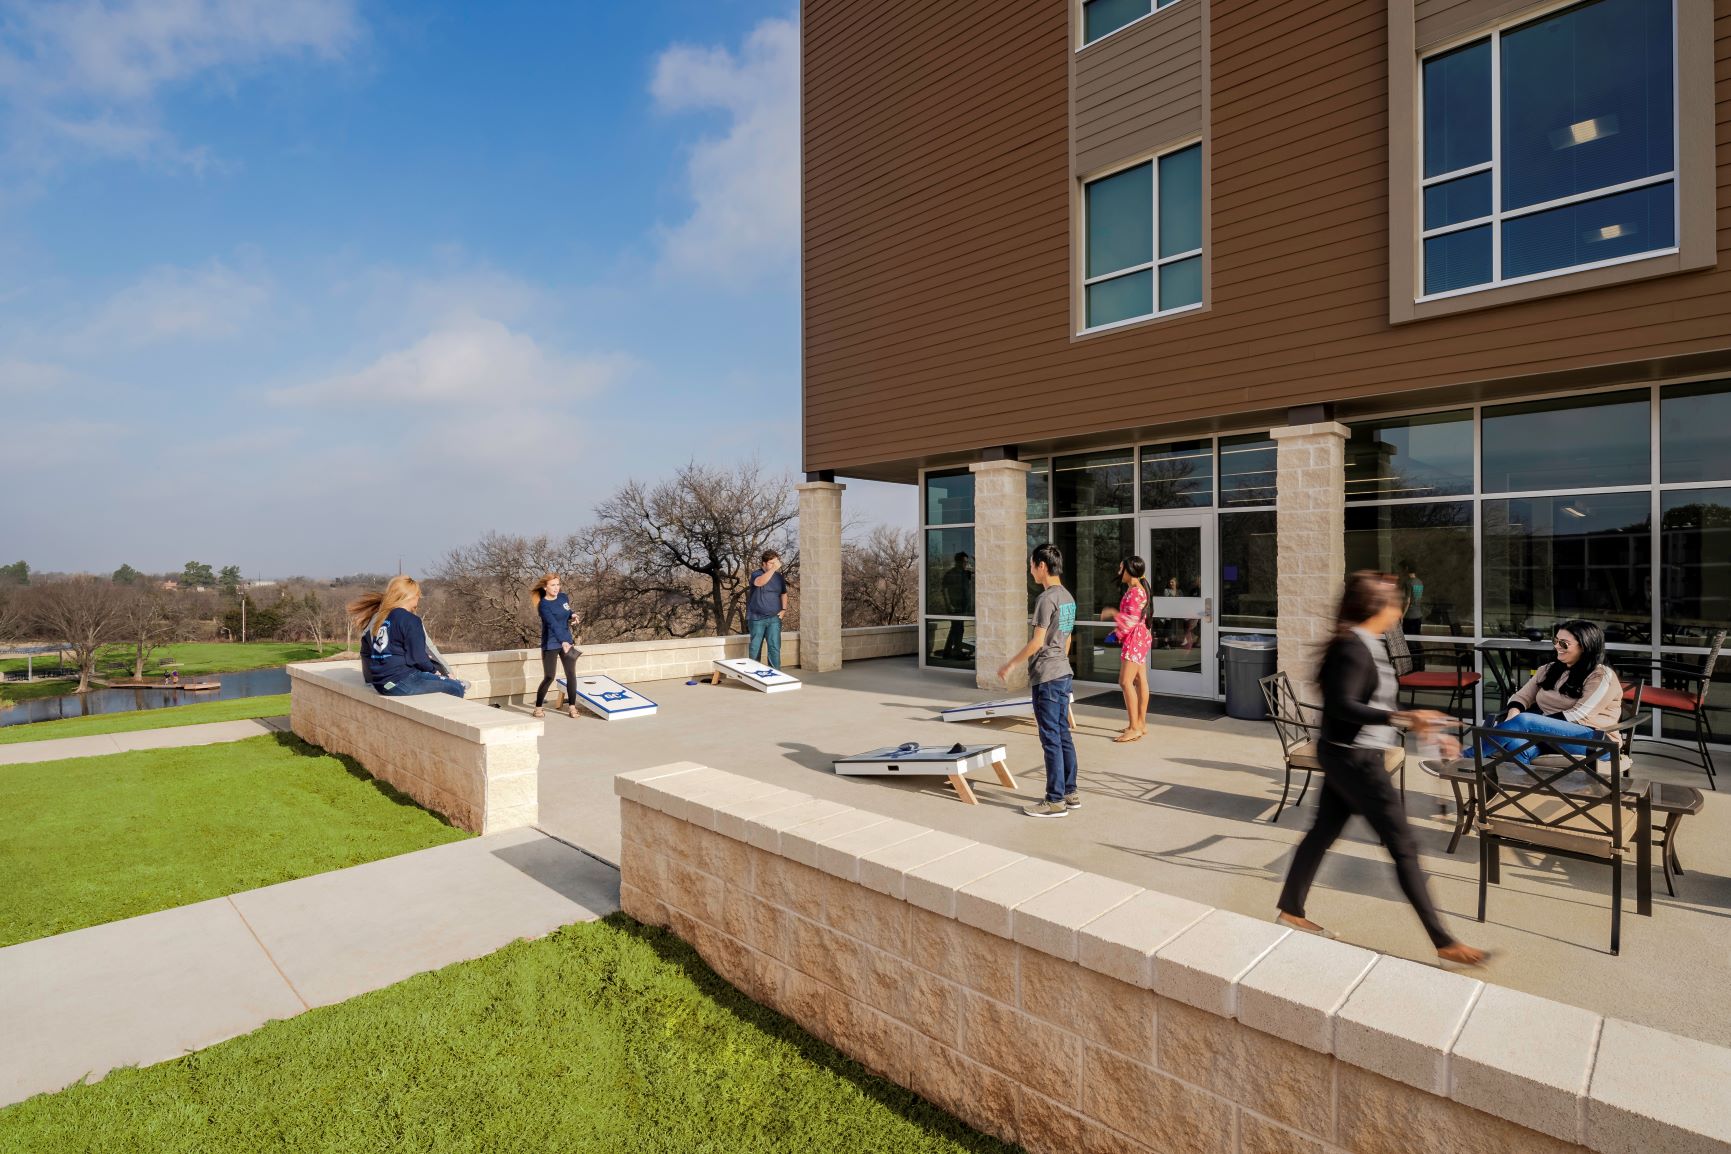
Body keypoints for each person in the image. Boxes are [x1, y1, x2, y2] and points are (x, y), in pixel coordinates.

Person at [1275, 571, 1488, 966]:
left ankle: (1291, 908)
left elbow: (1366, 703)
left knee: (1322, 832)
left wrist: (1422, 725)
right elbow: (1343, 705)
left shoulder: (1366, 643)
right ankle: (1444, 941)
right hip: (1356, 761)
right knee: (1404, 847)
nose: (1400, 608)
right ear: (1379, 607)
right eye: (1395, 602)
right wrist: (1403, 718)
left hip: (1346, 755)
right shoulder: (1353, 648)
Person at [997, 543, 1078, 818]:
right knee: (1063, 734)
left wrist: (1010, 664)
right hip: (1063, 673)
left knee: (1050, 738)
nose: (1030, 571)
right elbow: (1066, 639)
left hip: (1047, 677)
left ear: (1042, 566)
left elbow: (1037, 642)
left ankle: (1054, 800)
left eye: (1032, 565)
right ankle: (1070, 791)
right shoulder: (1068, 597)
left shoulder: (1046, 599)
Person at [1470, 620, 1621, 763]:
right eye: (1555, 641)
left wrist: (1530, 725)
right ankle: (1517, 788)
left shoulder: (1601, 675)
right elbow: (1521, 696)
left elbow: (1578, 715)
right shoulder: (1549, 669)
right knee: (1515, 743)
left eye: (1564, 643)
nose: (1557, 646)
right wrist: (1512, 719)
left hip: (1595, 741)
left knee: (1525, 720)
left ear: (1584, 646)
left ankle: (1466, 756)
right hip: (1549, 737)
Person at [348, 575, 464, 698]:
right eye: (418, 595)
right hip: (399, 681)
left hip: (379, 683)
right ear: (411, 596)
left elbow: (384, 651)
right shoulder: (411, 620)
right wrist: (439, 673)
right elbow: (418, 658)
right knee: (457, 688)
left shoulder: (380, 618)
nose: (419, 598)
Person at [1101, 556, 1151, 743]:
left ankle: (1134, 727)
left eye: (1121, 568)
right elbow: (1134, 619)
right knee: (1139, 680)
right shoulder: (1136, 589)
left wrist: (1113, 614)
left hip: (1135, 639)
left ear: (1129, 570)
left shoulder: (1135, 592)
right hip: (1139, 637)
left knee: (1125, 681)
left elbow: (1130, 621)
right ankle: (1140, 723)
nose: (1118, 571)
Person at [530, 573, 583, 720]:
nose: (556, 588)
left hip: (566, 641)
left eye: (558, 584)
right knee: (549, 676)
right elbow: (553, 624)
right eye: (553, 585)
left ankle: (572, 707)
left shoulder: (563, 597)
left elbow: (566, 611)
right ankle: (538, 707)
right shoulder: (543, 605)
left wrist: (572, 615)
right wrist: (563, 641)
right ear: (545, 587)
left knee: (571, 675)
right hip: (551, 643)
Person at [746, 550, 789, 669]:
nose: (774, 565)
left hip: (774, 618)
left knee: (774, 646)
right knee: (755, 647)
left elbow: (783, 594)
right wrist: (773, 569)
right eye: (771, 563)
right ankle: (754, 673)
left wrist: (783, 610)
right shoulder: (756, 574)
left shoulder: (779, 577)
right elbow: (759, 583)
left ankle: (776, 674)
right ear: (763, 564)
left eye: (776, 563)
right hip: (756, 618)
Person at [940, 552, 974, 660]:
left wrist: (977, 560)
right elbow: (944, 590)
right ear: (957, 562)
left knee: (958, 628)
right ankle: (954, 652)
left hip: (963, 606)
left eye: (966, 562)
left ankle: (951, 651)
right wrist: (949, 605)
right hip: (954, 607)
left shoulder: (965, 573)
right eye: (964, 562)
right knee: (957, 628)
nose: (965, 564)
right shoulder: (950, 574)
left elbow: (980, 574)